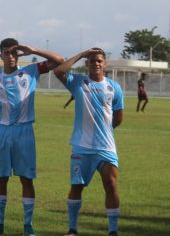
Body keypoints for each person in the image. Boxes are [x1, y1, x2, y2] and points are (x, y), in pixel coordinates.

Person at [0, 38, 63, 236]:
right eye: (7, 53)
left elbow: (59, 60)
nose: (11, 57)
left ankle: (28, 225)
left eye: (14, 52)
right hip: (2, 131)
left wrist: (33, 49)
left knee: (26, 178)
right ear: (0, 55)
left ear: (19, 54)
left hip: (25, 131)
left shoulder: (31, 71)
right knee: (1, 178)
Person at [53, 48, 124, 236]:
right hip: (81, 147)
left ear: (105, 63)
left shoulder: (114, 87)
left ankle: (113, 231)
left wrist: (103, 132)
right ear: (87, 63)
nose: (96, 63)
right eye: (92, 60)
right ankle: (72, 229)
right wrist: (82, 54)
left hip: (106, 147)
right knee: (77, 187)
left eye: (100, 60)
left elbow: (118, 118)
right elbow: (59, 71)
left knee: (111, 185)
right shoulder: (78, 82)